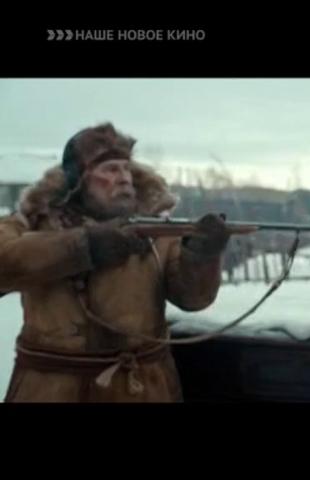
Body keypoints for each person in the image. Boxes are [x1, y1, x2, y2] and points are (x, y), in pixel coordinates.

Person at [0, 123, 230, 402]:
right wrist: (86, 246)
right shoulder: (34, 222)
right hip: (55, 389)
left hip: (143, 388)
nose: (124, 178)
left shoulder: (154, 229)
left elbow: (193, 299)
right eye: (110, 169)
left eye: (126, 169)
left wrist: (201, 254)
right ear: (78, 181)